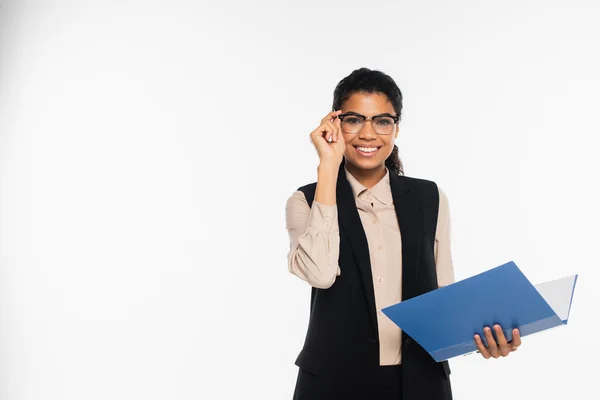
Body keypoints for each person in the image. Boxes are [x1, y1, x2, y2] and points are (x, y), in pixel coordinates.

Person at [284, 68, 522, 400]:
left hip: (421, 382)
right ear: (335, 124)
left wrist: (482, 338)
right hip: (333, 382)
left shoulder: (429, 198)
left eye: (382, 121)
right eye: (354, 120)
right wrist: (327, 166)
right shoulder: (307, 200)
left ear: (396, 127)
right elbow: (320, 274)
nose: (369, 133)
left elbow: (444, 298)